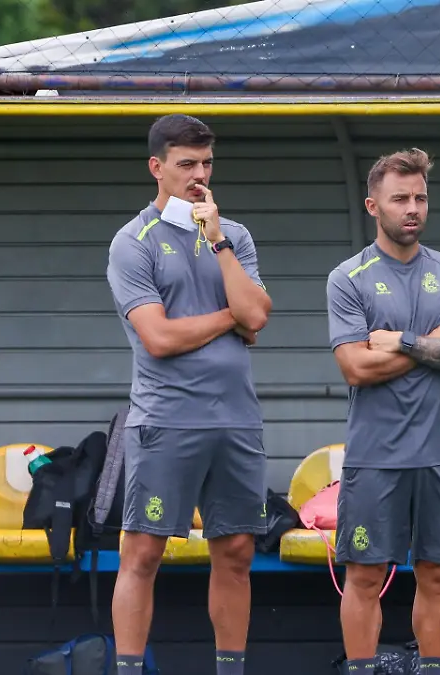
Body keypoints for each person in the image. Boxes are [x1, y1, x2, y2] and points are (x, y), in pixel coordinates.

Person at [106, 113, 272, 675]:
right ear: (157, 169)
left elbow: (260, 317)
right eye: (186, 165)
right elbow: (159, 337)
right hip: (167, 421)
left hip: (236, 422)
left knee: (237, 554)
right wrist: (230, 318)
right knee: (143, 553)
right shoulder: (133, 242)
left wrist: (217, 238)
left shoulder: (235, 236)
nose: (199, 176)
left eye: (206, 164)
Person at [325, 147, 440, 674]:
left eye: (420, 198)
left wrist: (402, 342)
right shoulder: (347, 278)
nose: (412, 208)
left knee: (438, 575)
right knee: (365, 578)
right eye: (400, 199)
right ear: (373, 206)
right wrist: (436, 345)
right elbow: (355, 368)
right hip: (376, 456)